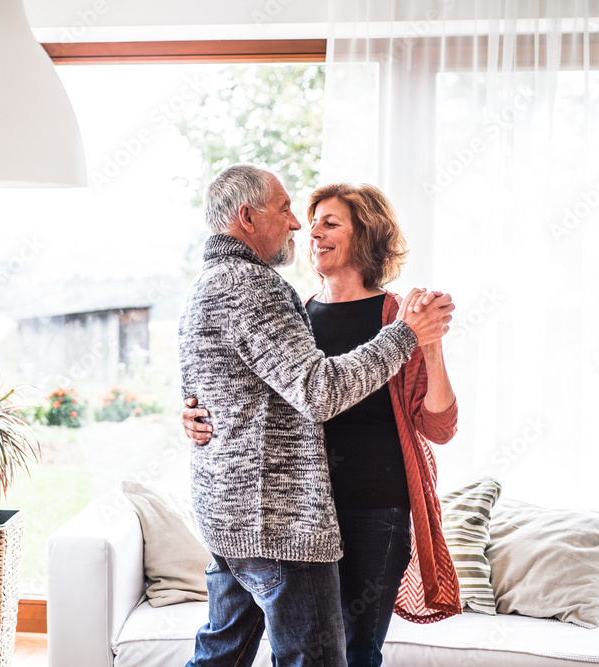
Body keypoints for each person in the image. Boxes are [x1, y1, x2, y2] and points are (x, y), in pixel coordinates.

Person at [179, 165, 454, 667]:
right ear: (246, 216)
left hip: (369, 506)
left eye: (330, 222)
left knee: (347, 650)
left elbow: (438, 425)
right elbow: (311, 390)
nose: (302, 228)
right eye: (296, 214)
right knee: (315, 656)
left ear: (366, 236)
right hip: (292, 517)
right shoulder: (284, 302)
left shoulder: (399, 313)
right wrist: (195, 415)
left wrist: (424, 341)